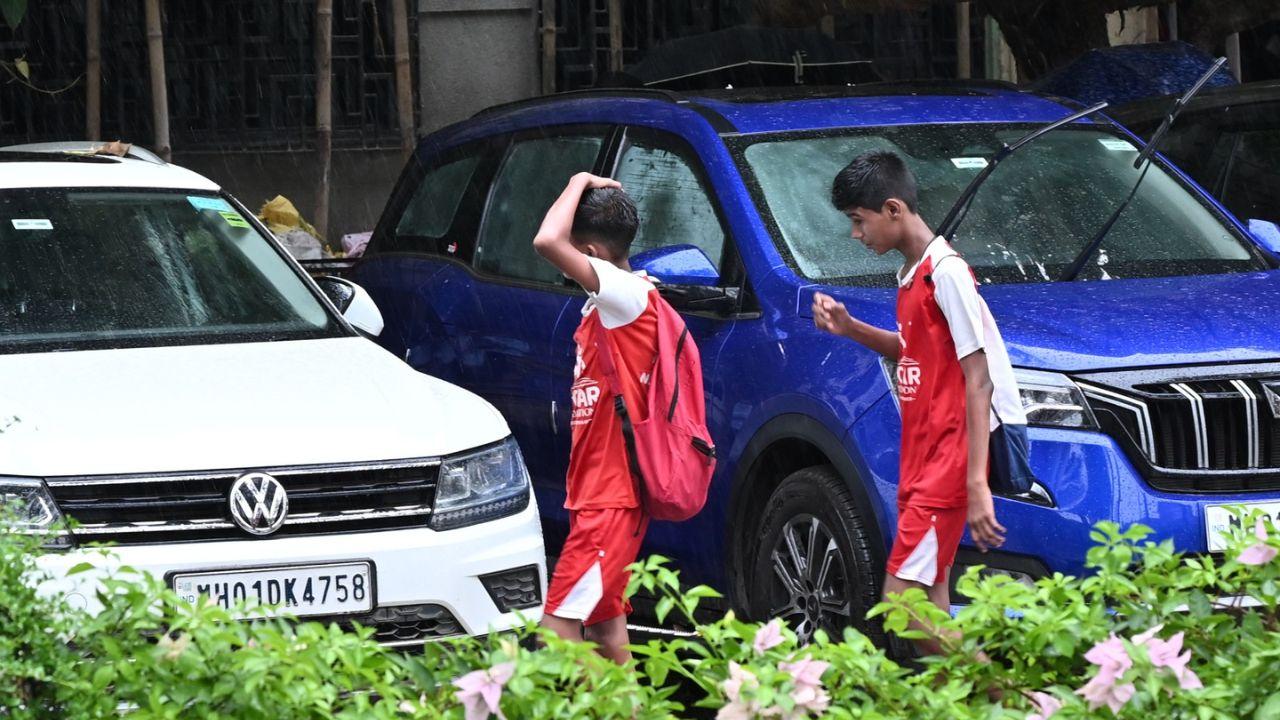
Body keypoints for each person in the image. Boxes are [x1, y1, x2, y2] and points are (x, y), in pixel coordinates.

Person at [812, 151, 1025, 655]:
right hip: (923, 457)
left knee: (901, 609)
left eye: (858, 221)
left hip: (946, 463)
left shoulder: (946, 273)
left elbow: (980, 378)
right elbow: (918, 352)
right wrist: (850, 328)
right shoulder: (912, 273)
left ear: (892, 209)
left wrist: (976, 484)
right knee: (932, 604)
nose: (856, 235)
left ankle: (1017, 701)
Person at [532, 172, 658, 663]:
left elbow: (546, 239)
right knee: (608, 635)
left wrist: (578, 179)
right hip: (599, 494)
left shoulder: (625, 296)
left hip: (610, 497)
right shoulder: (614, 302)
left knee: (556, 631)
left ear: (594, 254)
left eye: (578, 253)